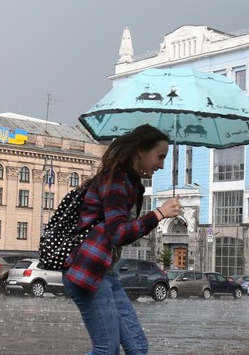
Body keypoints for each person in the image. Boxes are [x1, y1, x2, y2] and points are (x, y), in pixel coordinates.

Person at [63, 124, 182, 355]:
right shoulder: (114, 180)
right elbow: (118, 233)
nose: (162, 165)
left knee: (137, 348)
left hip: (106, 272)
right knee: (106, 350)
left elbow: (122, 234)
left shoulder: (132, 184)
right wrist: (159, 214)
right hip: (86, 271)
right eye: (159, 157)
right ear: (140, 151)